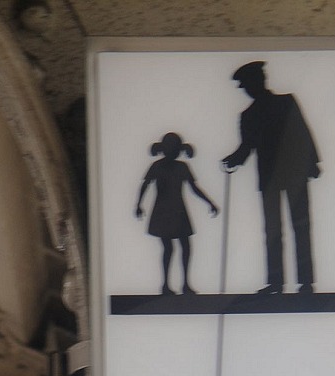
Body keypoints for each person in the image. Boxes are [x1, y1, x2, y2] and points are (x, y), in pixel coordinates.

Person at [222, 61, 321, 294]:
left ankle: (299, 282)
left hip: (285, 175)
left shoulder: (280, 104)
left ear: (260, 81)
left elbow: (301, 132)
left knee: (292, 228)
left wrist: (312, 162)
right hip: (279, 177)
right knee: (281, 230)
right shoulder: (252, 114)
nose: (247, 89)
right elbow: (247, 147)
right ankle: (284, 282)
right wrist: (233, 159)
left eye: (248, 84)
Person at [136, 132, 219, 295]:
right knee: (171, 248)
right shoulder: (160, 167)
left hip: (177, 211)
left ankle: (184, 284)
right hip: (165, 211)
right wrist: (138, 205)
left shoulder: (181, 167)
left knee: (183, 247)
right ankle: (167, 285)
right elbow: (145, 185)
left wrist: (210, 202)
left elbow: (194, 189)